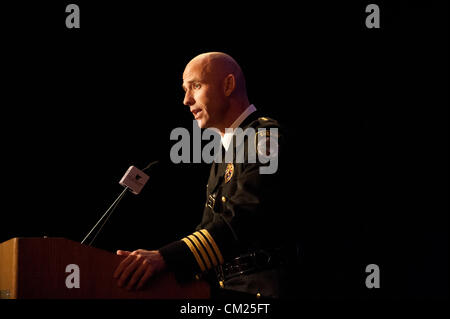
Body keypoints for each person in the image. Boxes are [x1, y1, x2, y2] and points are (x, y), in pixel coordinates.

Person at [113, 52, 297, 298]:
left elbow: (244, 218)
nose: (186, 100)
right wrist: (161, 268)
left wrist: (166, 258)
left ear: (228, 85)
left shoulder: (265, 137)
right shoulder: (226, 154)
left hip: (264, 290)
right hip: (227, 290)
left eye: (196, 86)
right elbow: (210, 228)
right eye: (185, 89)